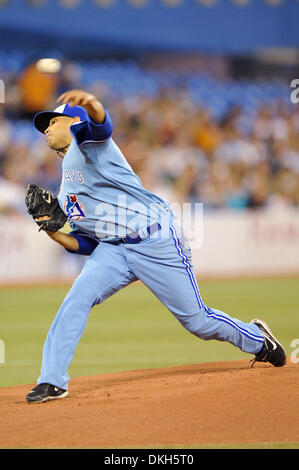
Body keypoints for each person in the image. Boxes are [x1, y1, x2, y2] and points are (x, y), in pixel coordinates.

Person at [26, 89, 286, 404]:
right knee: (76, 298)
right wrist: (50, 230)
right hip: (113, 250)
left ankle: (257, 339)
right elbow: (84, 243)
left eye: (53, 121)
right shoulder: (66, 188)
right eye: (45, 126)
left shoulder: (92, 147)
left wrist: (92, 103)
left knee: (197, 322)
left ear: (74, 122)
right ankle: (52, 381)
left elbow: (101, 125)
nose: (47, 129)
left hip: (156, 239)